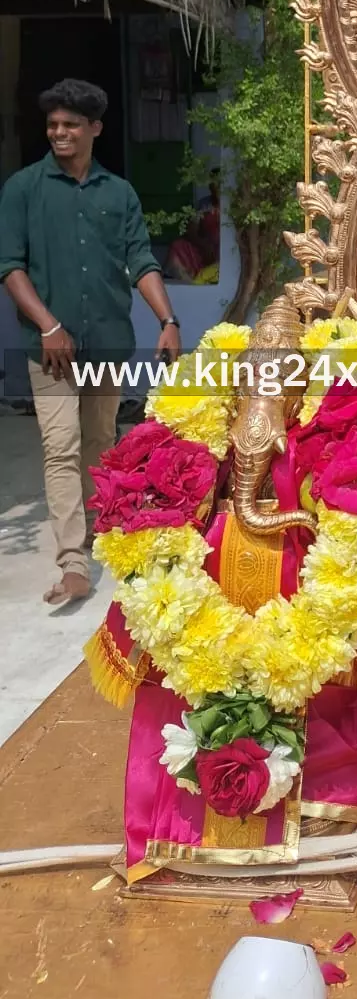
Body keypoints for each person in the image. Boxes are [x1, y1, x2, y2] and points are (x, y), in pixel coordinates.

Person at [0, 79, 181, 606]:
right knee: (61, 448)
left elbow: (140, 261)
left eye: (70, 125)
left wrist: (167, 320)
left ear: (94, 129)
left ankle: (108, 538)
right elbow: (10, 266)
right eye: (53, 124)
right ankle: (73, 562)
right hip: (49, 351)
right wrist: (49, 326)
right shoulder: (23, 190)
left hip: (106, 342)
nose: (59, 133)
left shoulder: (118, 193)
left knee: (102, 443)